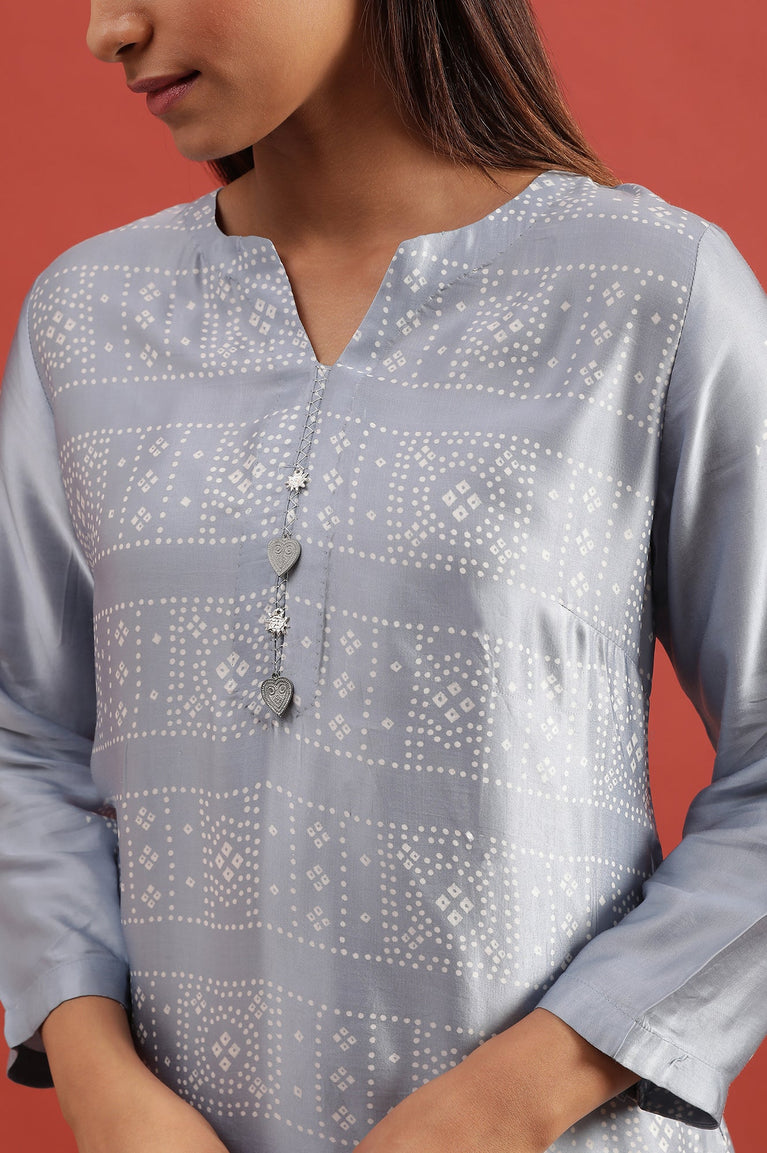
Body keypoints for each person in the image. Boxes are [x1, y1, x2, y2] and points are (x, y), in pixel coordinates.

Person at [1, 0, 765, 1150]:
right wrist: (99, 1077)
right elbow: (24, 736)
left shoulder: (643, 292)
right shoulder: (88, 317)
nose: (108, 29)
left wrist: (513, 1099)